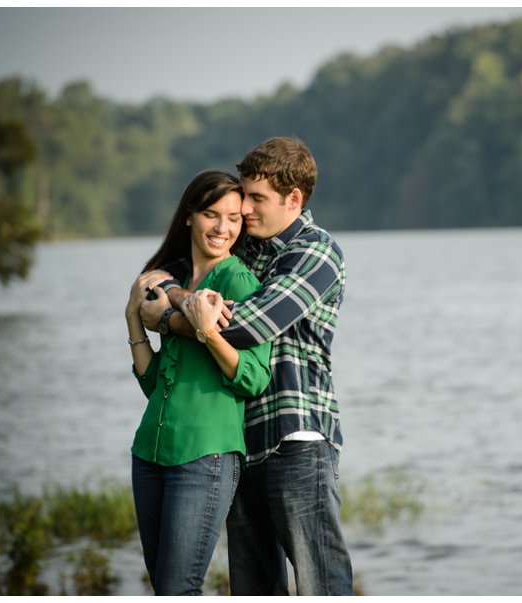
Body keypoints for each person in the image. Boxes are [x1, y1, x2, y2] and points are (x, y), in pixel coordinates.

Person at [139, 137, 354, 595]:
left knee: (321, 582)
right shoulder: (251, 248)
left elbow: (244, 326)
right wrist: (177, 297)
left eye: (257, 199)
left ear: (293, 199)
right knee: (255, 588)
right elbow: (166, 278)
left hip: (295, 439)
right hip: (241, 441)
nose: (245, 212)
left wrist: (170, 318)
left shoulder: (316, 253)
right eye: (245, 198)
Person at [125, 170, 273, 595]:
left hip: (204, 457)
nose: (222, 228)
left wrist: (207, 332)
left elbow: (253, 378)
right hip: (149, 453)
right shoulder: (172, 280)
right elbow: (156, 386)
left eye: (233, 218)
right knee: (165, 591)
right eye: (211, 214)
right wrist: (133, 318)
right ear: (189, 216)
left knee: (178, 589)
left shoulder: (237, 281)